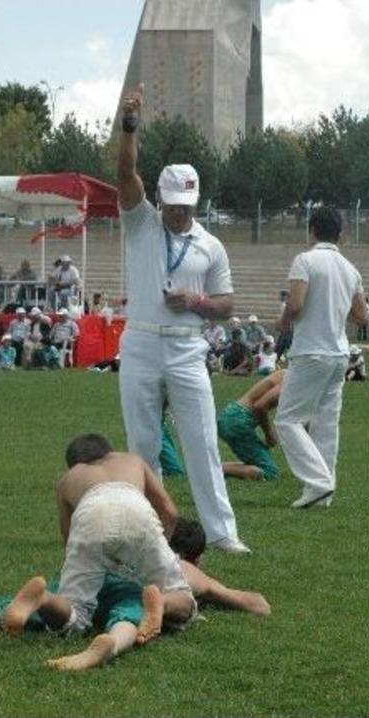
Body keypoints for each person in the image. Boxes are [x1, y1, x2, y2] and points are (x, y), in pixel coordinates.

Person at [115, 84, 247, 552]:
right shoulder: (140, 221)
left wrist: (194, 301)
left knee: (202, 440)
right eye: (170, 203)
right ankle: (143, 531)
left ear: (195, 201)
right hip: (142, 343)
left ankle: (222, 532)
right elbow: (124, 170)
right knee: (143, 443)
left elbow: (227, 303)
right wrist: (130, 125)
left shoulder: (211, 245)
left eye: (184, 206)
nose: (175, 212)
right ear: (161, 197)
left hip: (188, 346)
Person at [0, 518, 269, 673]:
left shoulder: (134, 545)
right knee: (127, 616)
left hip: (90, 577)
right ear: (194, 556)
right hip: (137, 592)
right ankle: (110, 643)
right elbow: (256, 604)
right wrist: (220, 593)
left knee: (46, 607)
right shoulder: (183, 569)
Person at [13, 434, 196, 642]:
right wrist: (159, 547)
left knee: (76, 612)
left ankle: (44, 600)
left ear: (74, 464)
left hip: (91, 515)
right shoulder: (132, 460)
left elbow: (68, 538)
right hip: (136, 510)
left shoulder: (68, 479)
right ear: (108, 451)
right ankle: (162, 602)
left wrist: (87, 565)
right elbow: (170, 512)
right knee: (182, 596)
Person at [276, 206, 368, 509]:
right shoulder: (351, 268)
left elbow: (297, 302)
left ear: (311, 230)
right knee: (327, 423)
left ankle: (318, 482)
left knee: (288, 419)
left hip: (311, 350)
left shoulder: (305, 260)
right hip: (339, 352)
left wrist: (284, 319)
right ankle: (321, 493)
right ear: (340, 234)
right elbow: (361, 316)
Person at [217, 370, 284, 481]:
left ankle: (215, 467)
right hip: (238, 421)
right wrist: (269, 434)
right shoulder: (288, 380)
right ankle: (213, 468)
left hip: (231, 416)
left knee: (257, 463)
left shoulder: (284, 373)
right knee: (269, 472)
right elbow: (260, 406)